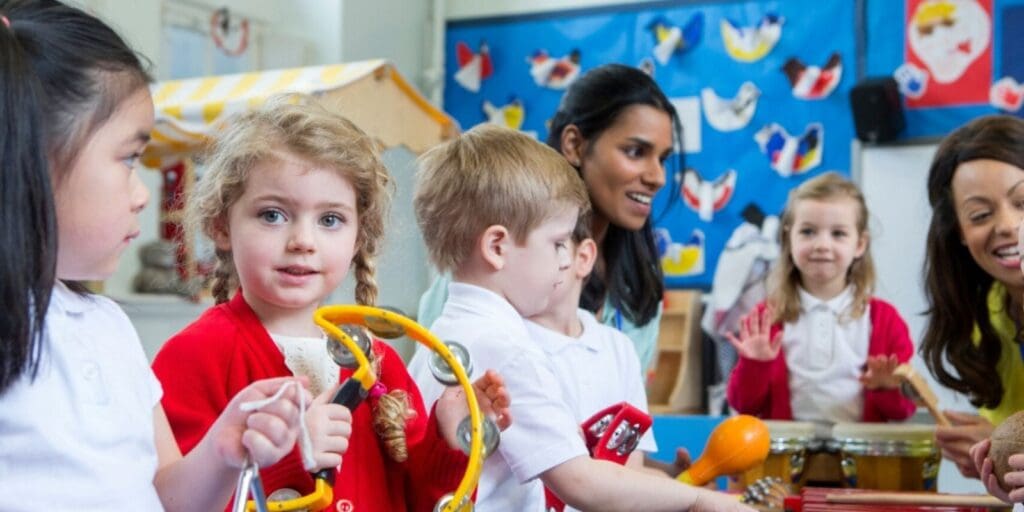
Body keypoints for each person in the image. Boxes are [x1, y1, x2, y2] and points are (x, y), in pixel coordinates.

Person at [0, 2, 307, 510]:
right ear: (30, 157)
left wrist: (222, 450)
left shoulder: (109, 327)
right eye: (128, 158)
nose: (141, 193)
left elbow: (168, 495)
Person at [151, 98, 511, 511]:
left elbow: (417, 500)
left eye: (330, 220)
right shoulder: (194, 355)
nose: (303, 241)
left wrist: (449, 440)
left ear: (359, 238)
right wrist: (290, 461)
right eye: (272, 215)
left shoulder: (382, 363)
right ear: (220, 226)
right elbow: (177, 502)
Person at [407, 124, 753, 511]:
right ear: (497, 246)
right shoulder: (505, 347)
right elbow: (582, 483)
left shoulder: (446, 333)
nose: (563, 261)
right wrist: (700, 501)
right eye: (556, 243)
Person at [417, 63, 680, 374]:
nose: (658, 177)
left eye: (662, 159)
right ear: (574, 145)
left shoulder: (639, 282)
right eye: (636, 152)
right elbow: (443, 372)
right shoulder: (494, 253)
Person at [726, 172, 916, 423]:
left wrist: (886, 388)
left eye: (838, 234)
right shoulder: (765, 318)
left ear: (860, 244)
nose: (822, 245)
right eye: (807, 231)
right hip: (787, 461)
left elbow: (904, 411)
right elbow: (744, 406)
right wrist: (755, 366)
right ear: (788, 239)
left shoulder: (885, 320)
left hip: (860, 461)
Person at [921, 115, 1024, 478]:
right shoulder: (987, 315)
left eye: (1022, 202)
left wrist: (1001, 444)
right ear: (960, 234)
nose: (1008, 226)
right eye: (980, 214)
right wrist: (991, 460)